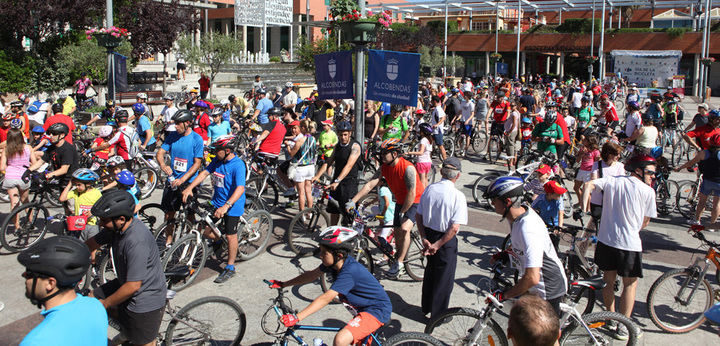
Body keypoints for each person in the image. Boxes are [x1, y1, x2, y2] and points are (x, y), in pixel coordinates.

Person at [270, 228, 392, 346]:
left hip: (375, 310)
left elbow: (326, 298)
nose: (320, 256)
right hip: (361, 308)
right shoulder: (334, 263)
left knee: (340, 340)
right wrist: (283, 284)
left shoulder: (349, 271)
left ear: (338, 254)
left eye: (324, 252)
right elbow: (311, 275)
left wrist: (297, 317)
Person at [581, 154, 657, 338]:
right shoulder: (648, 192)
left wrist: (584, 207)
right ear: (638, 170)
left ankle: (611, 319)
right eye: (650, 172)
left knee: (608, 281)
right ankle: (624, 325)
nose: (653, 176)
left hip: (606, 240)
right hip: (629, 244)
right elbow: (645, 221)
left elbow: (588, 184)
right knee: (630, 285)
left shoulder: (612, 181)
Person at [86, 190, 167, 346]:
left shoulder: (135, 240)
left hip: (145, 296)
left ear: (121, 219)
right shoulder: (114, 229)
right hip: (125, 282)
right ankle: (128, 330)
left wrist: (106, 303)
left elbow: (133, 286)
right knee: (90, 301)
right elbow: (90, 245)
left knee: (144, 342)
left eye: (104, 220)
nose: (101, 224)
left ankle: (134, 332)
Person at [483, 176, 567, 316]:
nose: (492, 203)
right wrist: (505, 255)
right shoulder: (516, 216)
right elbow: (521, 246)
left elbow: (532, 277)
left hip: (548, 287)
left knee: (543, 336)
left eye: (494, 199)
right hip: (536, 286)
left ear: (507, 201)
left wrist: (504, 296)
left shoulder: (527, 228)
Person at [347, 139, 425, 277]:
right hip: (401, 201)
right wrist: (353, 201)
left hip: (415, 201)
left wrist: (403, 212)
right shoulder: (384, 167)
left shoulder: (408, 168)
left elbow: (412, 193)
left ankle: (400, 263)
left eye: (384, 153)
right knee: (396, 232)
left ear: (395, 154)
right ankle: (397, 256)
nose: (381, 156)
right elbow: (370, 184)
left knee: (404, 229)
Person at [18, 236, 107, 346]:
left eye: (30, 274)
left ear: (50, 283)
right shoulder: (96, 306)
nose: (24, 275)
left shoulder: (35, 341)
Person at [181, 135, 247, 283]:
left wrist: (226, 206)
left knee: (231, 235)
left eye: (218, 149)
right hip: (217, 202)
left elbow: (240, 188)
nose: (215, 152)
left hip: (232, 205)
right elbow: (204, 173)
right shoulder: (217, 161)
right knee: (205, 229)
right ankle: (219, 241)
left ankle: (230, 267)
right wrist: (190, 188)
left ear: (228, 150)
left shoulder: (238, 165)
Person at [416, 157, 467, 319]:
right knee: (444, 278)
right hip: (445, 240)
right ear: (457, 176)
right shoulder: (457, 196)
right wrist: (438, 244)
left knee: (430, 272)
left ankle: (427, 307)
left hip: (429, 234)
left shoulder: (430, 189)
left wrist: (424, 237)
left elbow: (419, 216)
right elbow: (454, 227)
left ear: (441, 172)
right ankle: (438, 315)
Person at [156, 110, 205, 244]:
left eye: (178, 124)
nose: (175, 126)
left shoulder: (197, 139)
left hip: (188, 182)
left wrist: (183, 180)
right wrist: (163, 165)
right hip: (172, 181)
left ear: (187, 123)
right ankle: (169, 241)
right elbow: (160, 153)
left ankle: (189, 241)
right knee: (169, 213)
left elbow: (197, 164)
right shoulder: (172, 136)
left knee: (190, 213)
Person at [313, 121, 361, 225]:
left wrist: (337, 181)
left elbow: (349, 166)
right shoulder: (338, 146)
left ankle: (349, 235)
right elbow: (328, 162)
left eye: (345, 134)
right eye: (340, 135)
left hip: (349, 183)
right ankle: (332, 231)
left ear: (349, 133)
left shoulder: (355, 146)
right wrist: (317, 176)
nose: (343, 137)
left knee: (348, 214)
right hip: (336, 182)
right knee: (333, 210)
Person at [675, 133, 720, 225]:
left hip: (707, 180)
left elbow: (690, 163)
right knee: (717, 204)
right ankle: (712, 224)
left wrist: (680, 168)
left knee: (702, 201)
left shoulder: (704, 153)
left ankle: (697, 220)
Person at [59, 169, 102, 245]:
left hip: (91, 225)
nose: (77, 187)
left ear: (88, 184)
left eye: (79, 185)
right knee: (79, 245)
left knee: (92, 246)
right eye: (75, 184)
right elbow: (62, 198)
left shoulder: (96, 193)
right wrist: (69, 185)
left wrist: (92, 213)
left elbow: (100, 207)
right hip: (78, 225)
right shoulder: (75, 192)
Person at [28, 123, 79, 187]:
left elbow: (64, 169)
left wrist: (47, 175)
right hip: (59, 179)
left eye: (54, 133)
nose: (51, 136)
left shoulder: (67, 149)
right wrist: (29, 170)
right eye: (50, 133)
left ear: (62, 135)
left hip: (70, 182)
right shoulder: (52, 147)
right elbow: (41, 161)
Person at [1, 128, 33, 229]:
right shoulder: (28, 148)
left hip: (10, 177)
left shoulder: (6, 150)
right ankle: (31, 221)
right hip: (24, 177)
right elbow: (35, 163)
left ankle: (17, 226)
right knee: (25, 201)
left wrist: (9, 169)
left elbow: (2, 167)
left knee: (14, 202)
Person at [287, 119, 318, 214]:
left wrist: (288, 145)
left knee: (301, 193)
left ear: (303, 128)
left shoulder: (301, 140)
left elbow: (292, 153)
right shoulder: (313, 139)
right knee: (308, 191)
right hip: (310, 167)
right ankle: (310, 212)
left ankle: (302, 214)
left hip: (300, 168)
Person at [572, 134, 600, 206]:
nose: (583, 141)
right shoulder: (582, 149)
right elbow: (578, 160)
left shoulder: (595, 151)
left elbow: (596, 163)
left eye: (585, 140)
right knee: (576, 187)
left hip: (589, 171)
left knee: (586, 191)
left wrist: (594, 174)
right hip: (581, 170)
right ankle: (580, 202)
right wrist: (581, 154)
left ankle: (587, 207)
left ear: (589, 142)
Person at [406, 123, 434, 189]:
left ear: (423, 132)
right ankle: (426, 192)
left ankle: (422, 195)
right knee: (426, 179)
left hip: (422, 162)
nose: (419, 131)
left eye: (420, 130)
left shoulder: (423, 140)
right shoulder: (429, 140)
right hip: (428, 162)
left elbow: (421, 152)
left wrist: (409, 152)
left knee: (422, 180)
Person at [429, 96, 447, 160]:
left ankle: (445, 161)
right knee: (430, 144)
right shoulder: (436, 108)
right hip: (434, 130)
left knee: (440, 146)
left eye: (432, 101)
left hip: (438, 131)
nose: (431, 102)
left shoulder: (438, 109)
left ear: (434, 101)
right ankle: (429, 159)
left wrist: (437, 124)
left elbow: (443, 117)